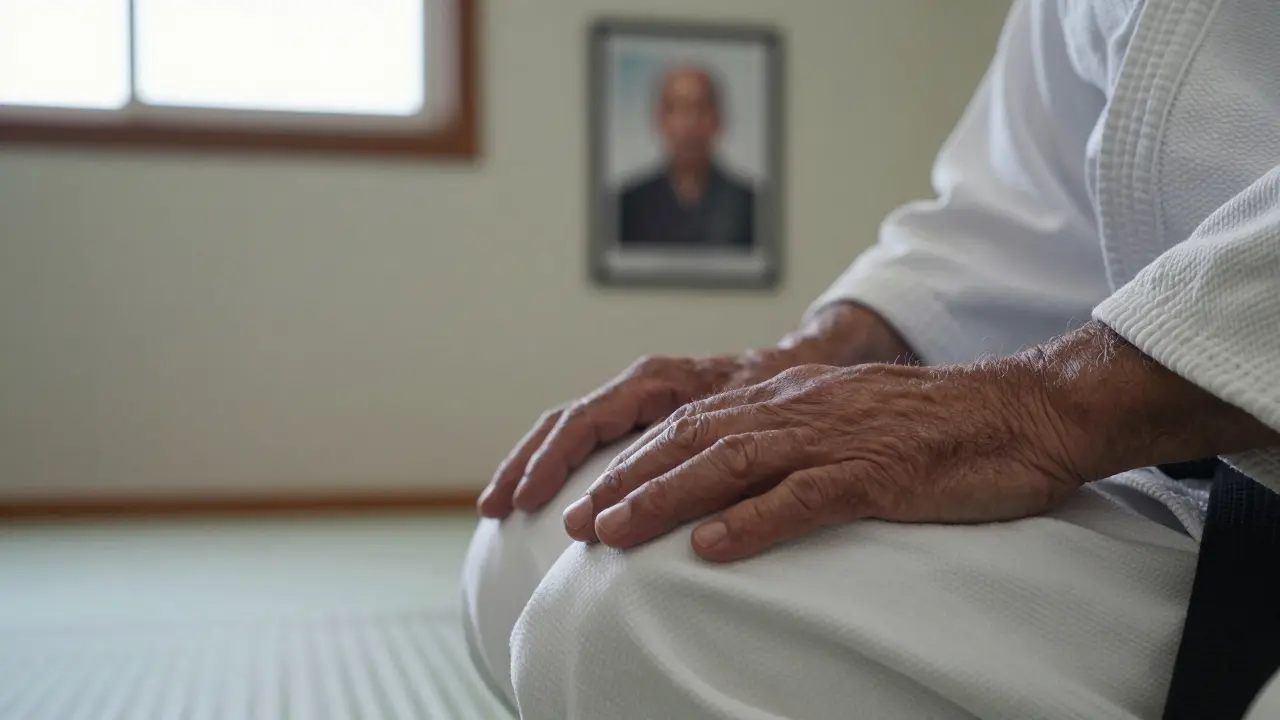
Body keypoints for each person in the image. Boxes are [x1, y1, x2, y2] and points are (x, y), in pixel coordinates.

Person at [464, 0, 1280, 717]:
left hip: (1249, 463)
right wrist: (805, 358)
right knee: (529, 538)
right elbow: (1023, 208)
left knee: (635, 612)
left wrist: (1047, 405)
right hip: (1166, 451)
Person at [617, 65, 756, 250]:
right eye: (679, 108)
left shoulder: (750, 205)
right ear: (659, 119)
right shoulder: (627, 205)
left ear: (718, 119)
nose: (690, 122)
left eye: (701, 108)